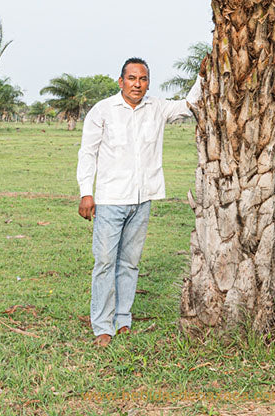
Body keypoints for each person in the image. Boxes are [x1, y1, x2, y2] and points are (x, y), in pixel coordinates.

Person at [77, 57, 201, 347]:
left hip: (142, 199)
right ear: (121, 81)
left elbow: (188, 106)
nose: (137, 84)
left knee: (130, 263)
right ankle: (102, 326)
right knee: (106, 262)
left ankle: (123, 320)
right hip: (109, 200)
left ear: (148, 83)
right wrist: (86, 192)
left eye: (143, 79)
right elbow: (87, 153)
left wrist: (203, 76)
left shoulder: (156, 108)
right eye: (132, 78)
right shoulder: (103, 111)